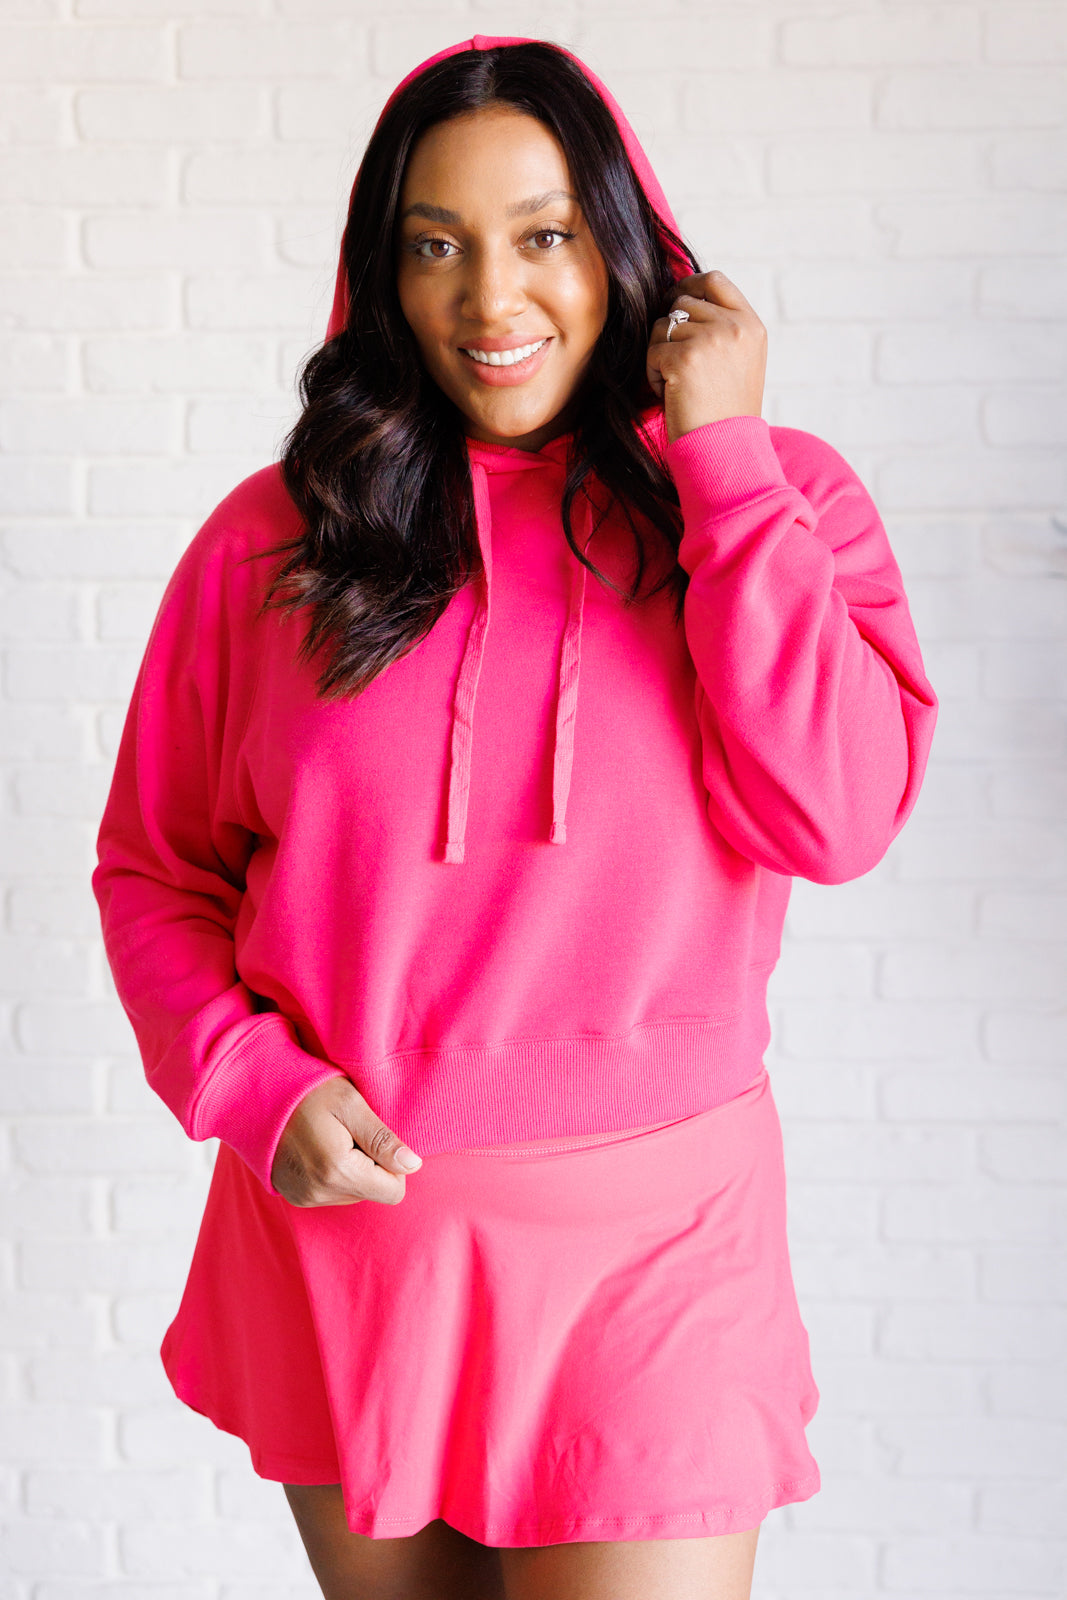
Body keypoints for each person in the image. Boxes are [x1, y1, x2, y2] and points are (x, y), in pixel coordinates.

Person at [92, 33, 938, 1600]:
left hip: (663, 1253)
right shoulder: (274, 545)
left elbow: (835, 816)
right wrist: (250, 1083)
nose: (492, 298)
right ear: (384, 275)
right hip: (357, 1244)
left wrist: (725, 465)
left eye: (544, 236)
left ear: (621, 248)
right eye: (438, 247)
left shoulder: (775, 500)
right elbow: (155, 868)